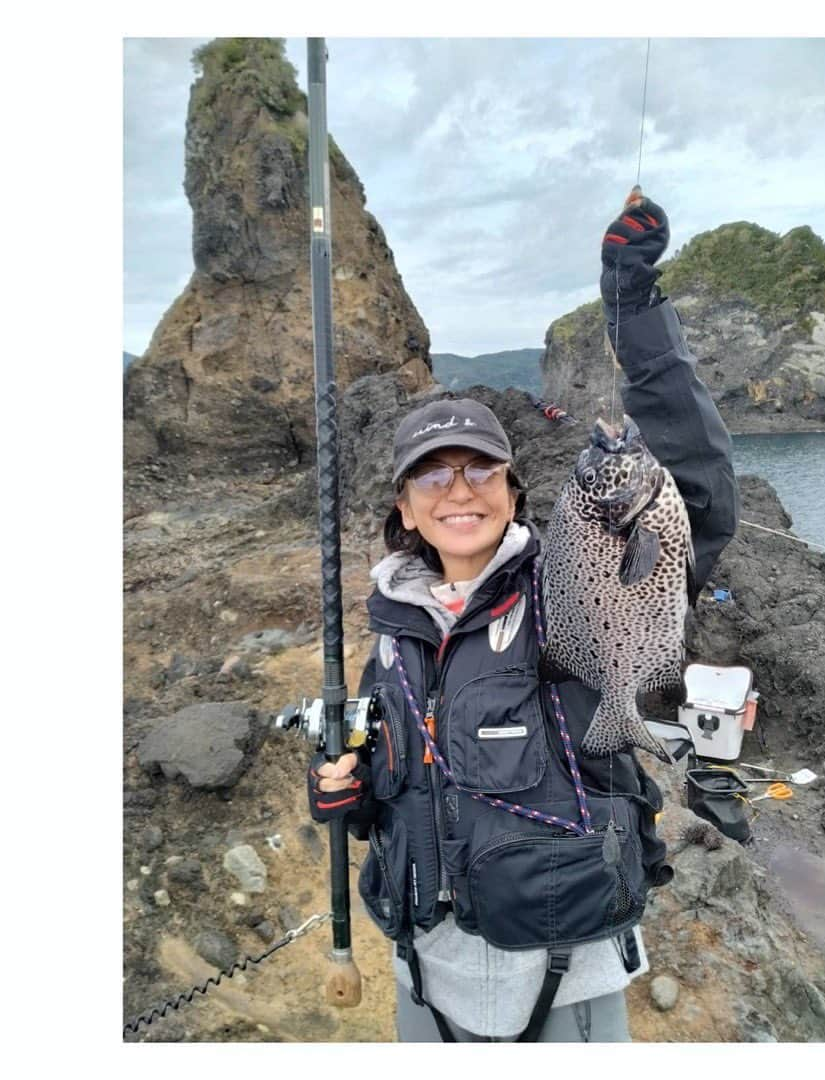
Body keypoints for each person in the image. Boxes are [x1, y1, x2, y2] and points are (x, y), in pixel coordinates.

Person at [308, 193, 739, 1042]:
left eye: (481, 470)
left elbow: (695, 490)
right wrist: (342, 790)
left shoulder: (563, 590)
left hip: (561, 971)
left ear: (513, 491)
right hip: (425, 971)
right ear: (404, 504)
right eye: (433, 475)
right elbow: (380, 773)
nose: (459, 489)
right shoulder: (391, 632)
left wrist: (635, 302)